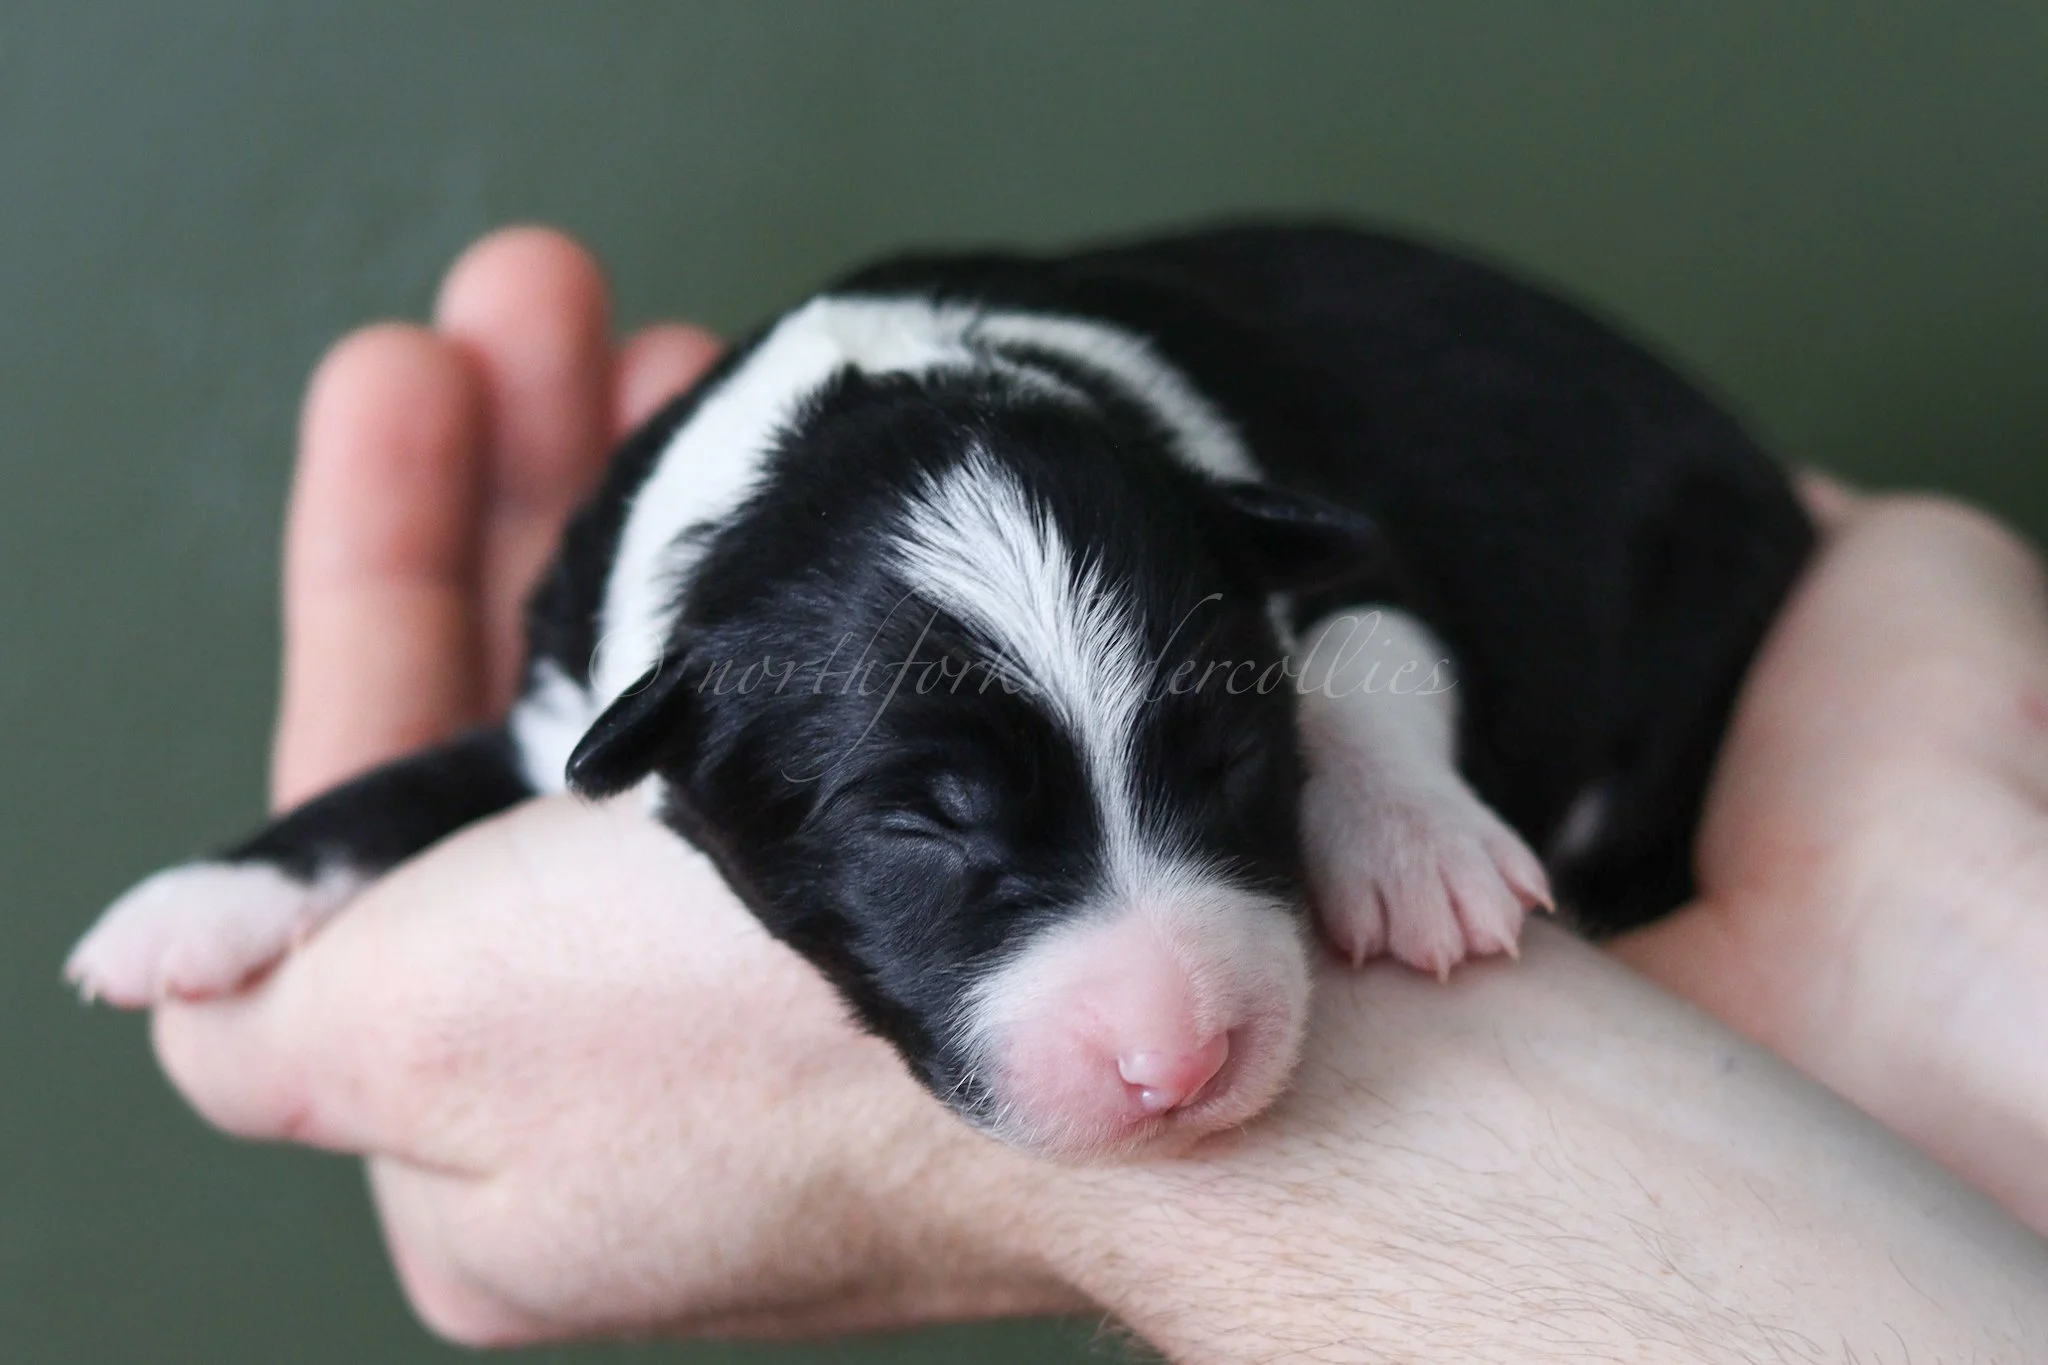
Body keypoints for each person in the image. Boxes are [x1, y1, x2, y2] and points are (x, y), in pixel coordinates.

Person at [146, 227, 2048, 1360]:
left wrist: (1378, 786)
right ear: (678, 746)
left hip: (1661, 656)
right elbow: (526, 754)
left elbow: (1361, 612)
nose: (1173, 1027)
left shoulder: (1207, 535)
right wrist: (304, 869)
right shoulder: (661, 635)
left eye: (1220, 770)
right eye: (945, 825)